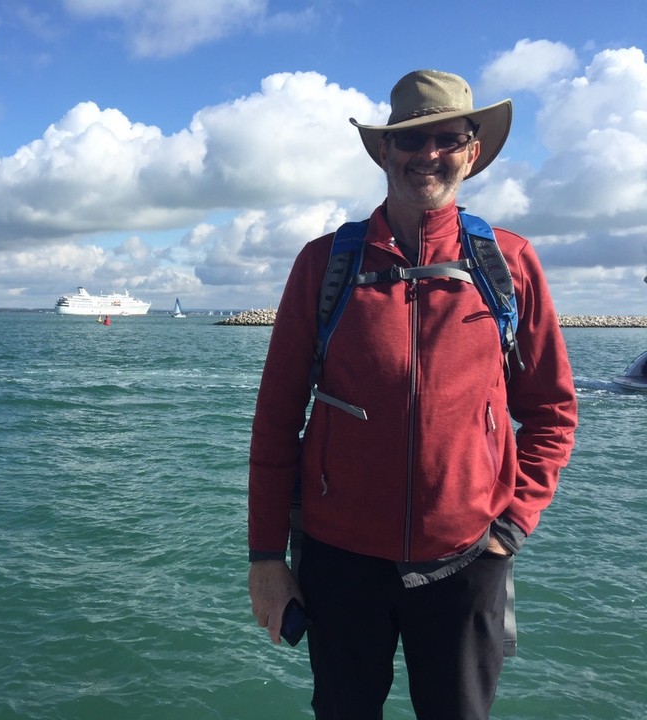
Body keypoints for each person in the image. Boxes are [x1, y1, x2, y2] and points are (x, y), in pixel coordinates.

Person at [247, 70, 578, 719]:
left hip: (468, 563)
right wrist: (266, 559)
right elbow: (275, 422)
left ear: (471, 151)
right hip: (339, 562)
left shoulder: (508, 264)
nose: (429, 155)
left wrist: (511, 526)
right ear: (384, 153)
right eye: (411, 141)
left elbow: (552, 412)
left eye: (447, 139)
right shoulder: (324, 265)